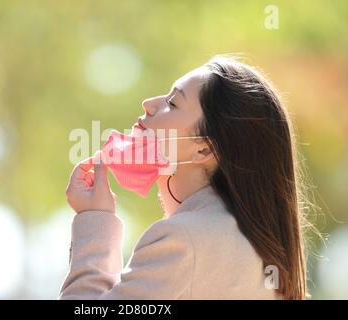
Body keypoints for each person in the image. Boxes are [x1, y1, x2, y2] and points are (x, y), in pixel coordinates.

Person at [59, 55, 312, 300]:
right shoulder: (253, 247)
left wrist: (94, 220)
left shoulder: (182, 240)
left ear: (204, 149)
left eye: (173, 103)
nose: (149, 104)